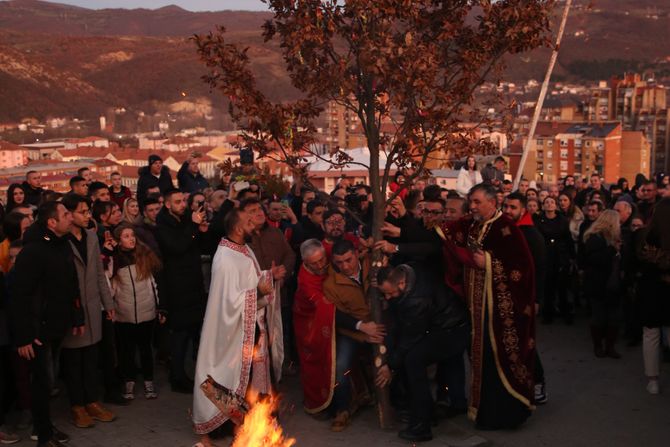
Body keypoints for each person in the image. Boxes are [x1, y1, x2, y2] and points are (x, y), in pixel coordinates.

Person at [441, 184, 535, 430]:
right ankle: (484, 411)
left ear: (493, 203)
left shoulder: (507, 229)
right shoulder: (472, 224)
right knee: (479, 359)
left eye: (476, 202)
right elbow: (444, 232)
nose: (471, 207)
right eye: (470, 202)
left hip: (499, 314)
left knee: (498, 360)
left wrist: (490, 263)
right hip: (476, 308)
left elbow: (522, 269)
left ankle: (506, 414)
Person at [192, 208, 284, 446]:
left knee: (248, 380)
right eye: (249, 220)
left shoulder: (243, 249)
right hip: (230, 331)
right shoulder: (224, 257)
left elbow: (247, 282)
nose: (254, 223)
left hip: (249, 325)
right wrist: (258, 291)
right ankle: (210, 431)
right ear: (237, 227)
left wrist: (268, 276)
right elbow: (228, 301)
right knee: (223, 378)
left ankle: (244, 424)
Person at [9, 201, 85, 447]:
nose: (70, 218)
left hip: (55, 326)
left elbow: (71, 284)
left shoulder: (62, 244)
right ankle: (43, 436)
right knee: (41, 384)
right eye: (65, 215)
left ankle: (47, 428)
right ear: (52, 222)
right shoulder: (33, 251)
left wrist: (77, 316)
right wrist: (23, 337)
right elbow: (19, 295)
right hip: (36, 331)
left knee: (49, 382)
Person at [376, 263, 469, 442]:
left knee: (413, 360)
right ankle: (432, 409)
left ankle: (422, 424)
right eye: (384, 294)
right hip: (442, 324)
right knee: (411, 357)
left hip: (452, 329)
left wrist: (391, 366)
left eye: (390, 293)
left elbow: (409, 338)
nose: (387, 298)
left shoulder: (416, 300)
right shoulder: (407, 272)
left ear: (401, 284)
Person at [60, 195, 117, 429]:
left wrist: (108, 304)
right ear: (69, 214)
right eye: (83, 211)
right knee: (74, 361)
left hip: (94, 306)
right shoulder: (61, 241)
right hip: (73, 310)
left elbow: (98, 274)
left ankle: (92, 401)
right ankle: (77, 406)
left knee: (92, 358)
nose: (87, 215)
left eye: (88, 211)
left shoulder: (92, 236)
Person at [323, 240, 381, 432]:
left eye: (348, 260)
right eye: (339, 262)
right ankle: (342, 409)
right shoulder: (331, 284)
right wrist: (363, 332)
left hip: (381, 324)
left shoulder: (373, 264)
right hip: (355, 332)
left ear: (357, 254)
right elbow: (339, 319)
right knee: (340, 365)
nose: (345, 266)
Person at [155, 190, 208, 393]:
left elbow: (196, 246)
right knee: (180, 335)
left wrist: (200, 231)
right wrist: (194, 227)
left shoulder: (186, 220)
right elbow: (177, 247)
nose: (183, 204)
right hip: (177, 287)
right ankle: (176, 377)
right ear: (168, 205)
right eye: (178, 202)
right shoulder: (163, 226)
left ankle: (185, 373)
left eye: (184, 200)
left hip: (193, 285)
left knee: (191, 332)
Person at [503, 192, 549, 404]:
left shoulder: (531, 235)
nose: (508, 211)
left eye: (513, 207)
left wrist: (538, 298)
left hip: (527, 298)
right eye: (506, 206)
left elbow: (540, 269)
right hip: (510, 295)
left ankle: (538, 383)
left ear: (523, 209)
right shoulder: (508, 230)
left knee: (526, 342)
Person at [111, 225, 164, 401]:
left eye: (132, 235)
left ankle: (149, 380)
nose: (131, 239)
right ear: (118, 240)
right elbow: (111, 285)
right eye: (126, 236)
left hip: (146, 309)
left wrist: (159, 306)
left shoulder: (144, 255)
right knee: (127, 350)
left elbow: (154, 283)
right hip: (123, 311)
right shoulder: (115, 259)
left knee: (145, 348)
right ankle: (129, 380)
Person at [635, 198, 670, 394]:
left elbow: (636, 260)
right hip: (665, 288)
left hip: (650, 289)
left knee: (650, 334)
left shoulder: (643, 235)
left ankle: (653, 380)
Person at [582, 210, 623, 359]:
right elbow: (593, 259)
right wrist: (612, 250)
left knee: (614, 317)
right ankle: (598, 346)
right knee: (599, 316)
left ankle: (610, 346)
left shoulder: (616, 237)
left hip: (614, 283)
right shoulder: (595, 238)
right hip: (598, 283)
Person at [535, 196, 574, 325]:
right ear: (543, 205)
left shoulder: (563, 220)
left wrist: (572, 257)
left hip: (560, 256)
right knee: (548, 287)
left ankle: (565, 312)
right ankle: (548, 314)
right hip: (546, 256)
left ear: (556, 205)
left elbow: (568, 239)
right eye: (547, 202)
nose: (550, 204)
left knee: (562, 286)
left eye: (552, 202)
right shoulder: (539, 221)